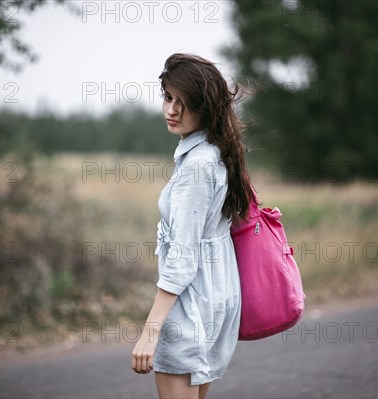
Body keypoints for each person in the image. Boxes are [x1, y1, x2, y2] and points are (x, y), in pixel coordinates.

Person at [131, 53, 256, 399]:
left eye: (184, 103)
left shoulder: (197, 167)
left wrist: (151, 331)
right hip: (215, 298)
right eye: (168, 97)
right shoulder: (217, 153)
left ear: (207, 108)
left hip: (191, 308)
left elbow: (183, 258)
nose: (172, 110)